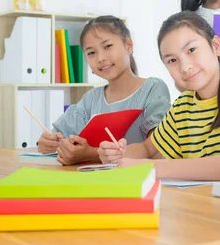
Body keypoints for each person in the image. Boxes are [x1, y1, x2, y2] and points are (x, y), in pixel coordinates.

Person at [98, 11, 220, 180]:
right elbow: (147, 149)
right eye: (172, 60)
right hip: (197, 206)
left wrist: (151, 168)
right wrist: (119, 153)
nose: (185, 66)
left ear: (216, 46)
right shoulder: (183, 106)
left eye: (191, 50)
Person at [37, 15, 171, 166]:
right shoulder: (91, 98)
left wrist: (88, 154)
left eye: (107, 46)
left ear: (128, 45)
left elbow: (158, 150)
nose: (100, 58)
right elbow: (59, 135)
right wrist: (48, 142)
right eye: (91, 53)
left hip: (136, 183)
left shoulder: (153, 89)